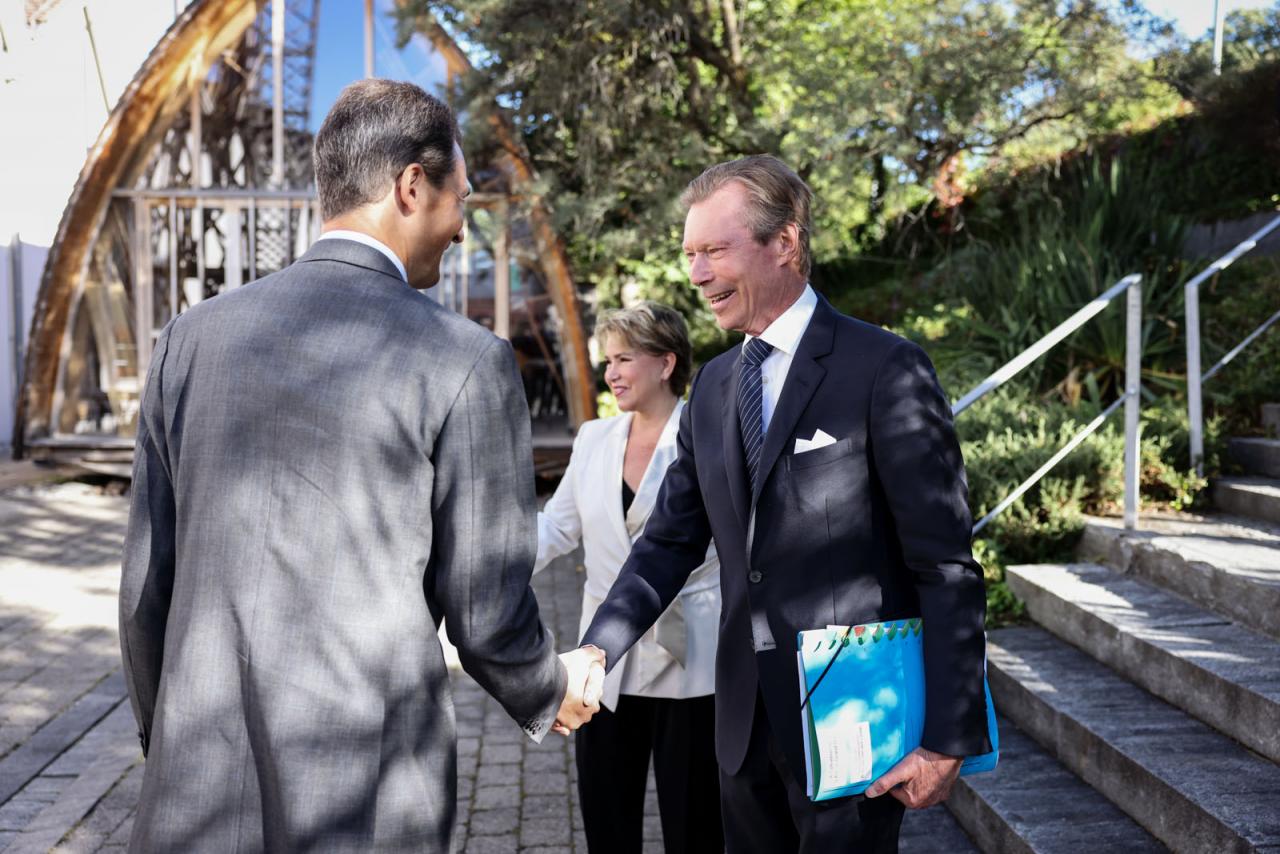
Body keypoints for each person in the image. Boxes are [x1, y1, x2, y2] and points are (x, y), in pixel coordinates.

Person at [118, 79, 603, 852]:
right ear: (414, 184)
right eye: (461, 200)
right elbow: (485, 610)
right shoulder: (465, 360)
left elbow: (147, 591)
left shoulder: (189, 338)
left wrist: (172, 746)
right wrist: (552, 687)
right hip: (367, 798)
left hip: (197, 793)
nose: (460, 230)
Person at [580, 155, 990, 853]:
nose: (697, 274)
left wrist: (948, 738)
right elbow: (670, 539)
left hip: (853, 725)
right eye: (690, 254)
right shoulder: (711, 388)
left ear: (785, 244)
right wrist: (598, 649)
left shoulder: (885, 368)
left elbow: (944, 564)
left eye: (714, 250)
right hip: (741, 726)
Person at [537, 302, 725, 853]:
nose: (611, 373)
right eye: (607, 361)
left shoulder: (708, 433)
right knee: (606, 815)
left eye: (624, 359)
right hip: (604, 663)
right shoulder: (593, 438)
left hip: (693, 661)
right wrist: (485, 567)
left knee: (695, 824)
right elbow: (555, 527)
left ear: (666, 364)